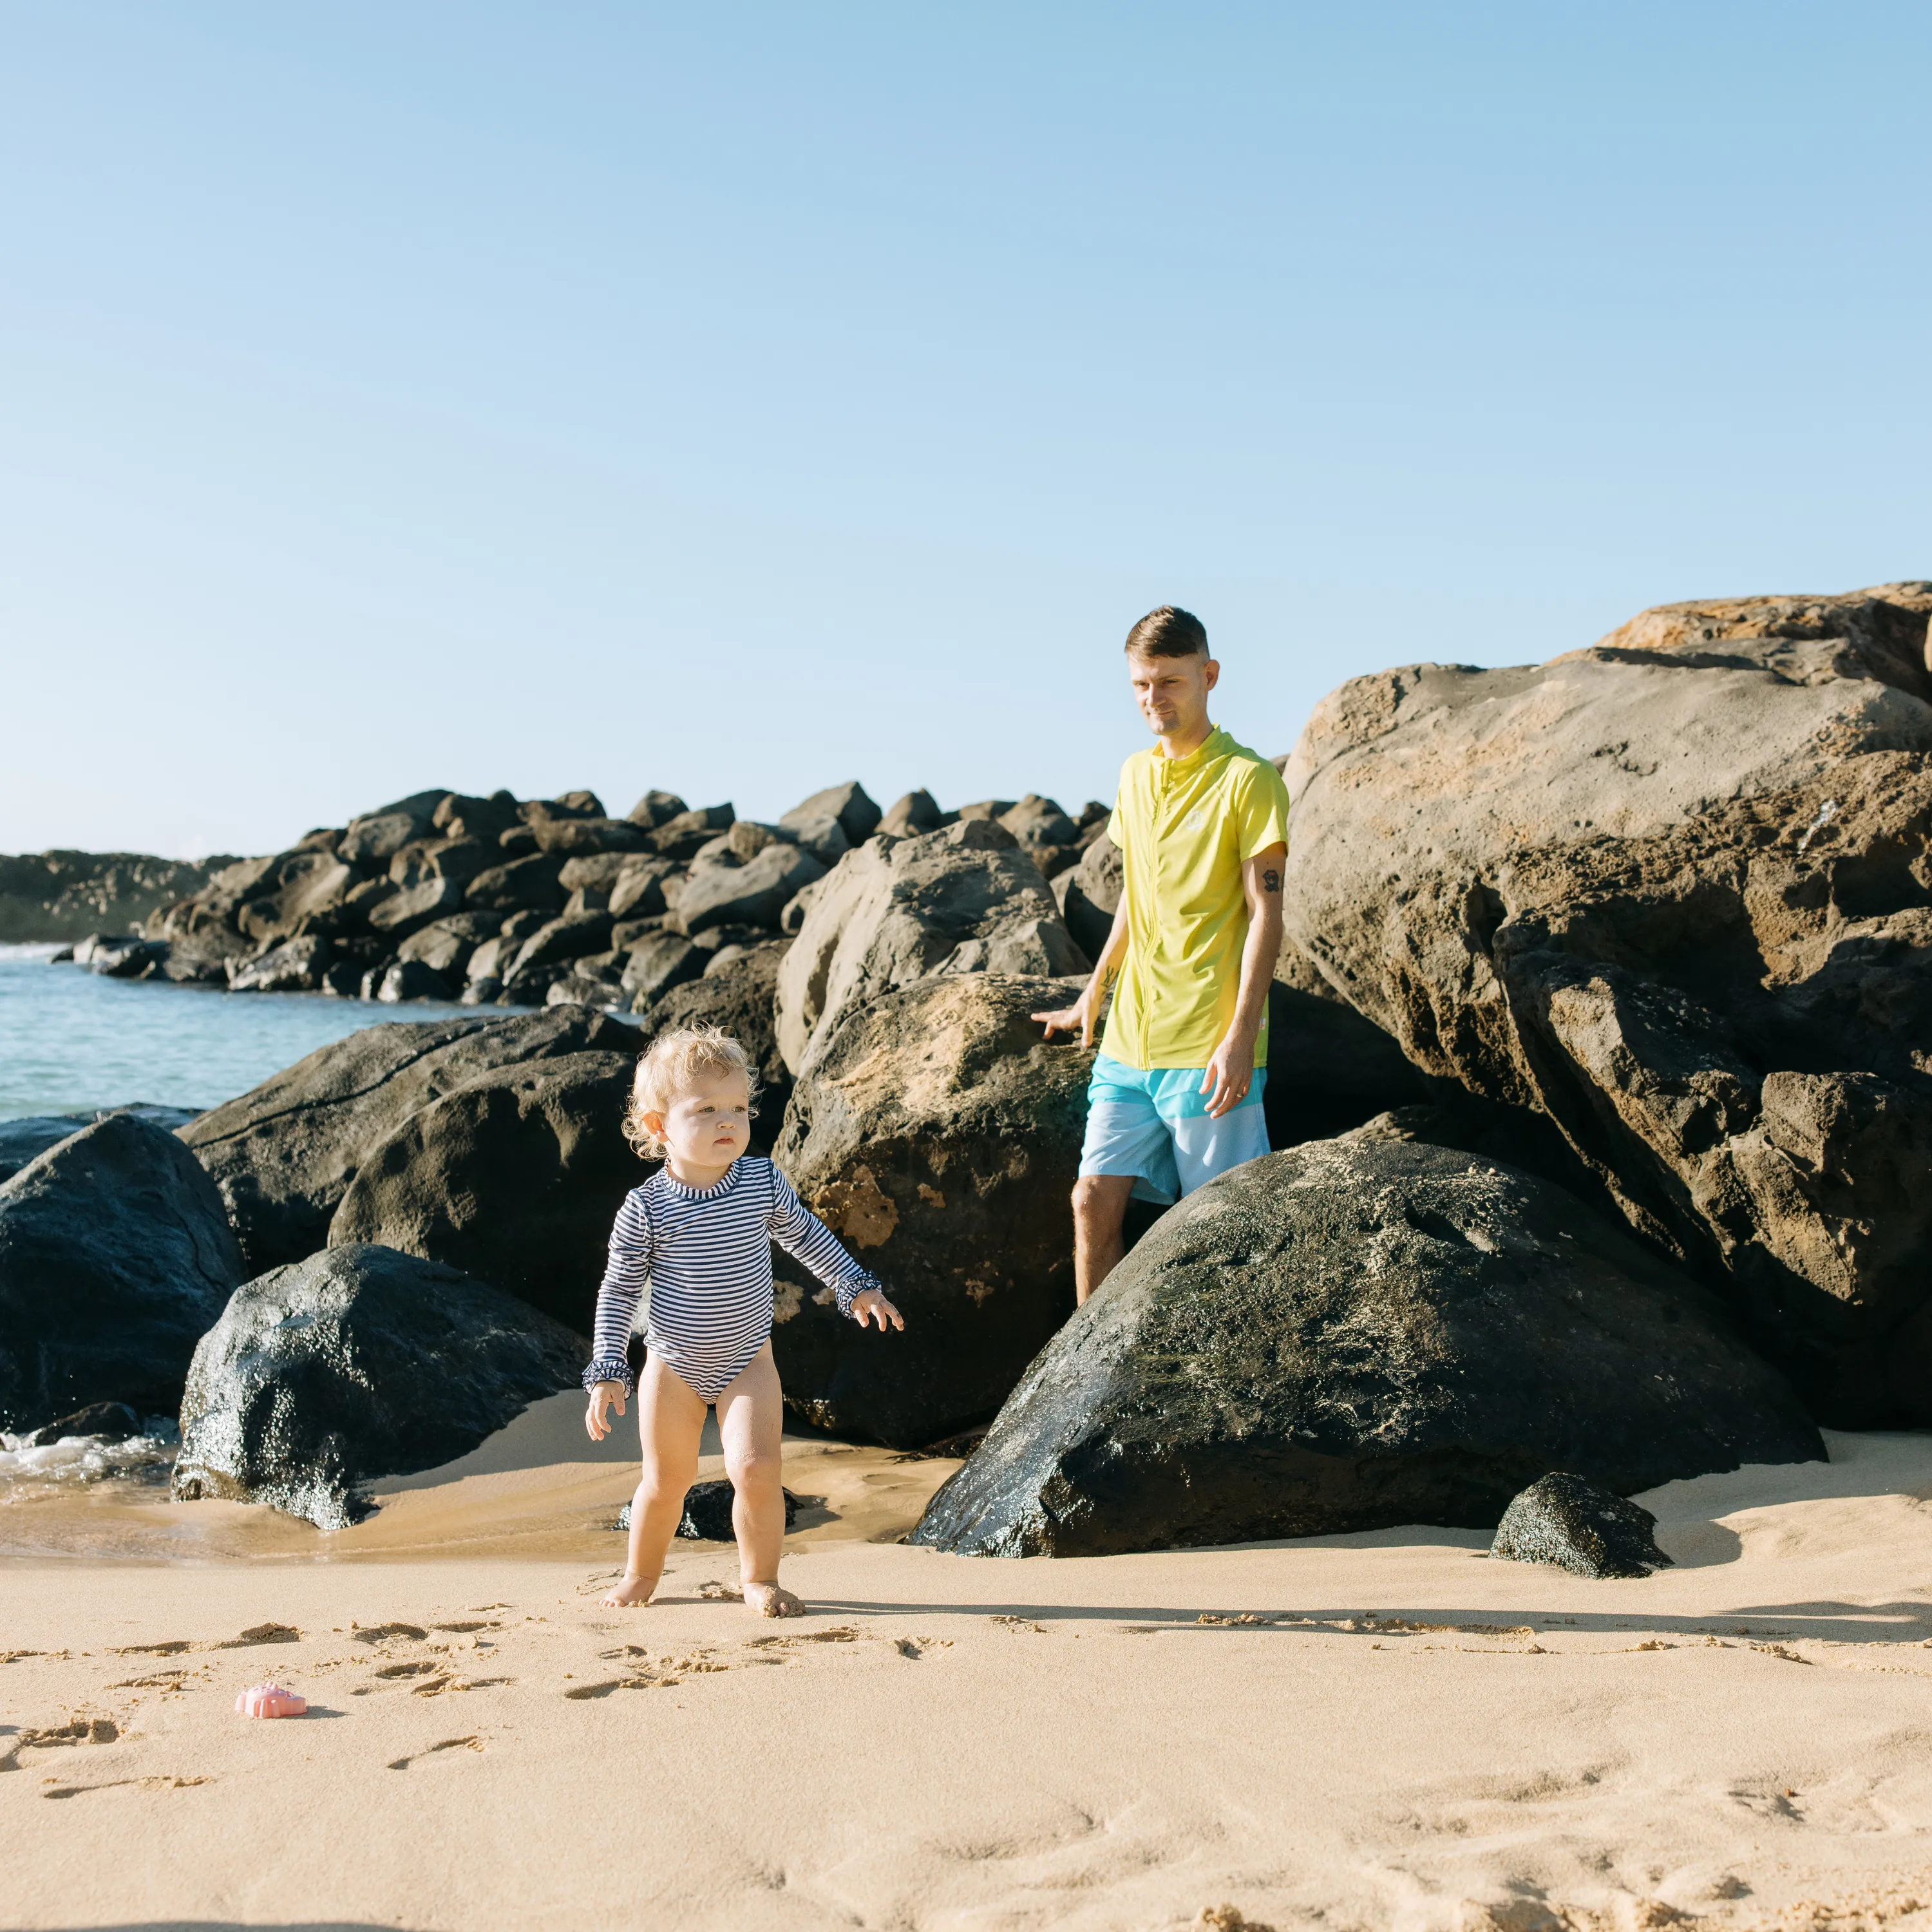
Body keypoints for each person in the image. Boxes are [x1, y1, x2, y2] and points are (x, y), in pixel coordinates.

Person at [582, 1025, 904, 1616]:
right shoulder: (646, 1208)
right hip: (672, 1367)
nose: (727, 1120)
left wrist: (855, 1286)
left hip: (747, 1361)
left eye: (737, 1107)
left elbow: (807, 1236)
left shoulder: (760, 1181)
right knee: (665, 1482)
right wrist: (607, 1367)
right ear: (659, 1127)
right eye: (705, 1109)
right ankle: (641, 1574)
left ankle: (759, 1578)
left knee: (757, 1470)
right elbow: (618, 1289)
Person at [1034, 605, 1291, 1302]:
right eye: (1142, 685)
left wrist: (1241, 1037)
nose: (1155, 699)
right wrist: (1096, 991)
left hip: (1208, 1042)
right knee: (1091, 1201)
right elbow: (1136, 900)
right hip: (1130, 1038)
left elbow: (1268, 913)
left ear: (1208, 677)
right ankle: (1084, 1393)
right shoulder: (1134, 776)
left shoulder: (1249, 780)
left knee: (1221, 1234)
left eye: (1170, 682)